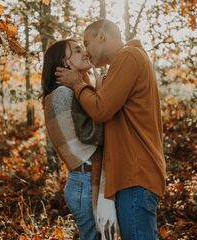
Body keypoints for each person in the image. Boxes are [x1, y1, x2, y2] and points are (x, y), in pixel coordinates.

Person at [55, 19, 166, 240]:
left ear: (102, 36)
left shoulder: (129, 56)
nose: (86, 51)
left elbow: (101, 109)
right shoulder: (121, 65)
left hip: (136, 174)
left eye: (87, 43)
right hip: (130, 175)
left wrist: (78, 83)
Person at [41, 39, 117, 240]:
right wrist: (101, 95)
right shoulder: (64, 94)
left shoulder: (71, 92)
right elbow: (93, 135)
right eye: (77, 50)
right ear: (64, 63)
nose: (85, 52)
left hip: (85, 180)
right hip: (84, 183)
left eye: (82, 48)